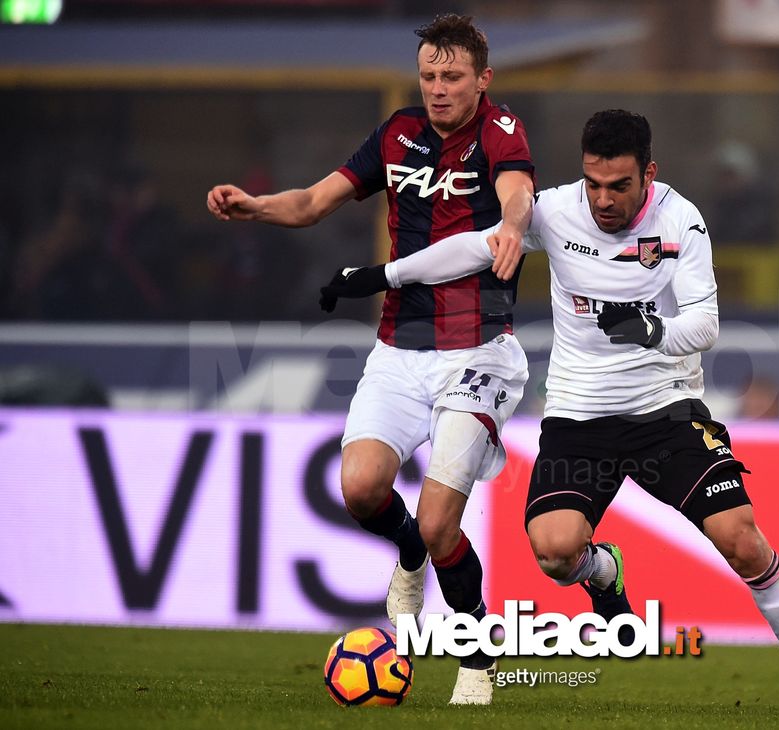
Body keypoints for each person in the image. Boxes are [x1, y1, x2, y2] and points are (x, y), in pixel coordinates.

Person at [322, 110, 779, 714]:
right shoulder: (554, 210)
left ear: (648, 173)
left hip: (666, 412)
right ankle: (603, 572)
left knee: (742, 539)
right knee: (553, 553)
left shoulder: (682, 219)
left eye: (619, 186)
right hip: (578, 417)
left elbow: (705, 323)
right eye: (593, 183)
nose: (603, 199)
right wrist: (382, 276)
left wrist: (652, 330)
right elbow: (473, 248)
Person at [206, 13, 535, 705]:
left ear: (483, 79)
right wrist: (255, 207)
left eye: (452, 77)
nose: (439, 89)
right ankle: (409, 550)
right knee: (359, 489)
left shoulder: (500, 131)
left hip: (478, 352)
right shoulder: (396, 136)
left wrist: (510, 223)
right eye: (429, 76)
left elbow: (516, 190)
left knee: (444, 518)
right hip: (398, 347)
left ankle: (477, 658)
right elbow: (312, 203)